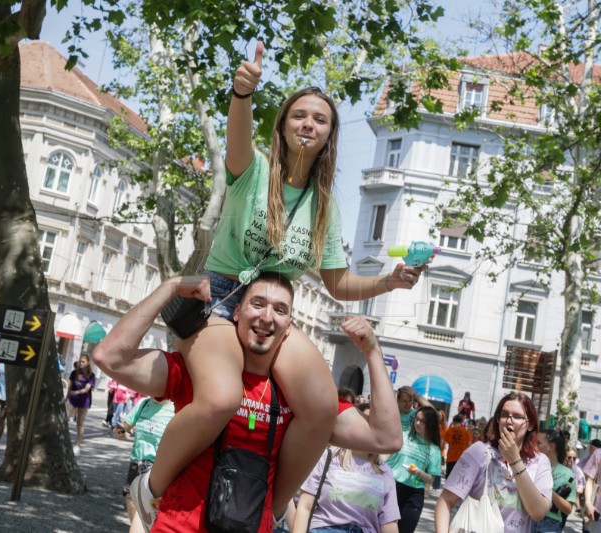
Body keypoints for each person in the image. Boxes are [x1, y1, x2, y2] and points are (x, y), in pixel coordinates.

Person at [130, 42, 427, 529]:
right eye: (299, 116)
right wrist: (242, 92)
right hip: (221, 300)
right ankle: (151, 486)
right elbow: (237, 135)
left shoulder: (325, 205)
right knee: (222, 397)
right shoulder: (254, 169)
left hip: (274, 308)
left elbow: (337, 282)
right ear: (284, 125)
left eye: (321, 119)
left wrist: (388, 282)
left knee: (320, 405)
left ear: (330, 135)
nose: (309, 124)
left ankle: (270, 508)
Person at [93, 273, 397, 532]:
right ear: (236, 312)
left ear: (289, 326)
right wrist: (169, 288)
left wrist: (371, 351)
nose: (267, 317)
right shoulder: (198, 374)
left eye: (280, 310)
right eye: (258, 304)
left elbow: (386, 437)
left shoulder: (298, 400)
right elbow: (110, 357)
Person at [434, 392, 552, 532]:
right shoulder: (479, 452)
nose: (509, 420)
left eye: (517, 416)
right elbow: (446, 501)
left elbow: (538, 512)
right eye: (504, 415)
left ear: (530, 424)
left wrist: (515, 461)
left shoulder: (540, 462)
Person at [293, 425, 400, 533]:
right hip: (326, 528)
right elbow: (305, 507)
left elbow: (388, 522)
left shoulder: (385, 472)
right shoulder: (328, 456)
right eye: (365, 423)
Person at [115, 396, 176, 533]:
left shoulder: (176, 408)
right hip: (136, 462)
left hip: (157, 466)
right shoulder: (143, 403)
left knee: (146, 505)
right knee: (131, 498)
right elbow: (125, 426)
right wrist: (120, 431)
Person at [386, 405, 442, 532]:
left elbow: (431, 479)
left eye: (422, 421)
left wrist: (419, 472)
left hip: (414, 494)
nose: (418, 423)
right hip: (393, 487)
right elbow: (385, 458)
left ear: (431, 424)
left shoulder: (434, 450)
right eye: (416, 419)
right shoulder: (403, 436)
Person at [530, 429, 575, 532]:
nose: (534, 446)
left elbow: (568, 509)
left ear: (551, 447)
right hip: (528, 518)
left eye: (538, 443)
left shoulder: (567, 474)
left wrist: (548, 490)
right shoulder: (529, 466)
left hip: (550, 525)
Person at [65, 353, 95, 456]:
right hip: (73, 398)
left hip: (84, 400)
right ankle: (64, 441)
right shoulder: (74, 372)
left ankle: (77, 445)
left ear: (87, 363)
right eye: (80, 361)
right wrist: (67, 396)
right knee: (65, 418)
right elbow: (70, 386)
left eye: (83, 361)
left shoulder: (91, 375)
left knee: (80, 423)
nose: (81, 363)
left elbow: (87, 389)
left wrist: (76, 392)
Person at [443, 414, 473, 478]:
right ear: (462, 422)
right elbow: (470, 445)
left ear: (453, 421)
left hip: (451, 457)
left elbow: (443, 443)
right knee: (459, 479)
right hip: (462, 459)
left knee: (449, 478)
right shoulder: (466, 432)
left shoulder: (449, 431)